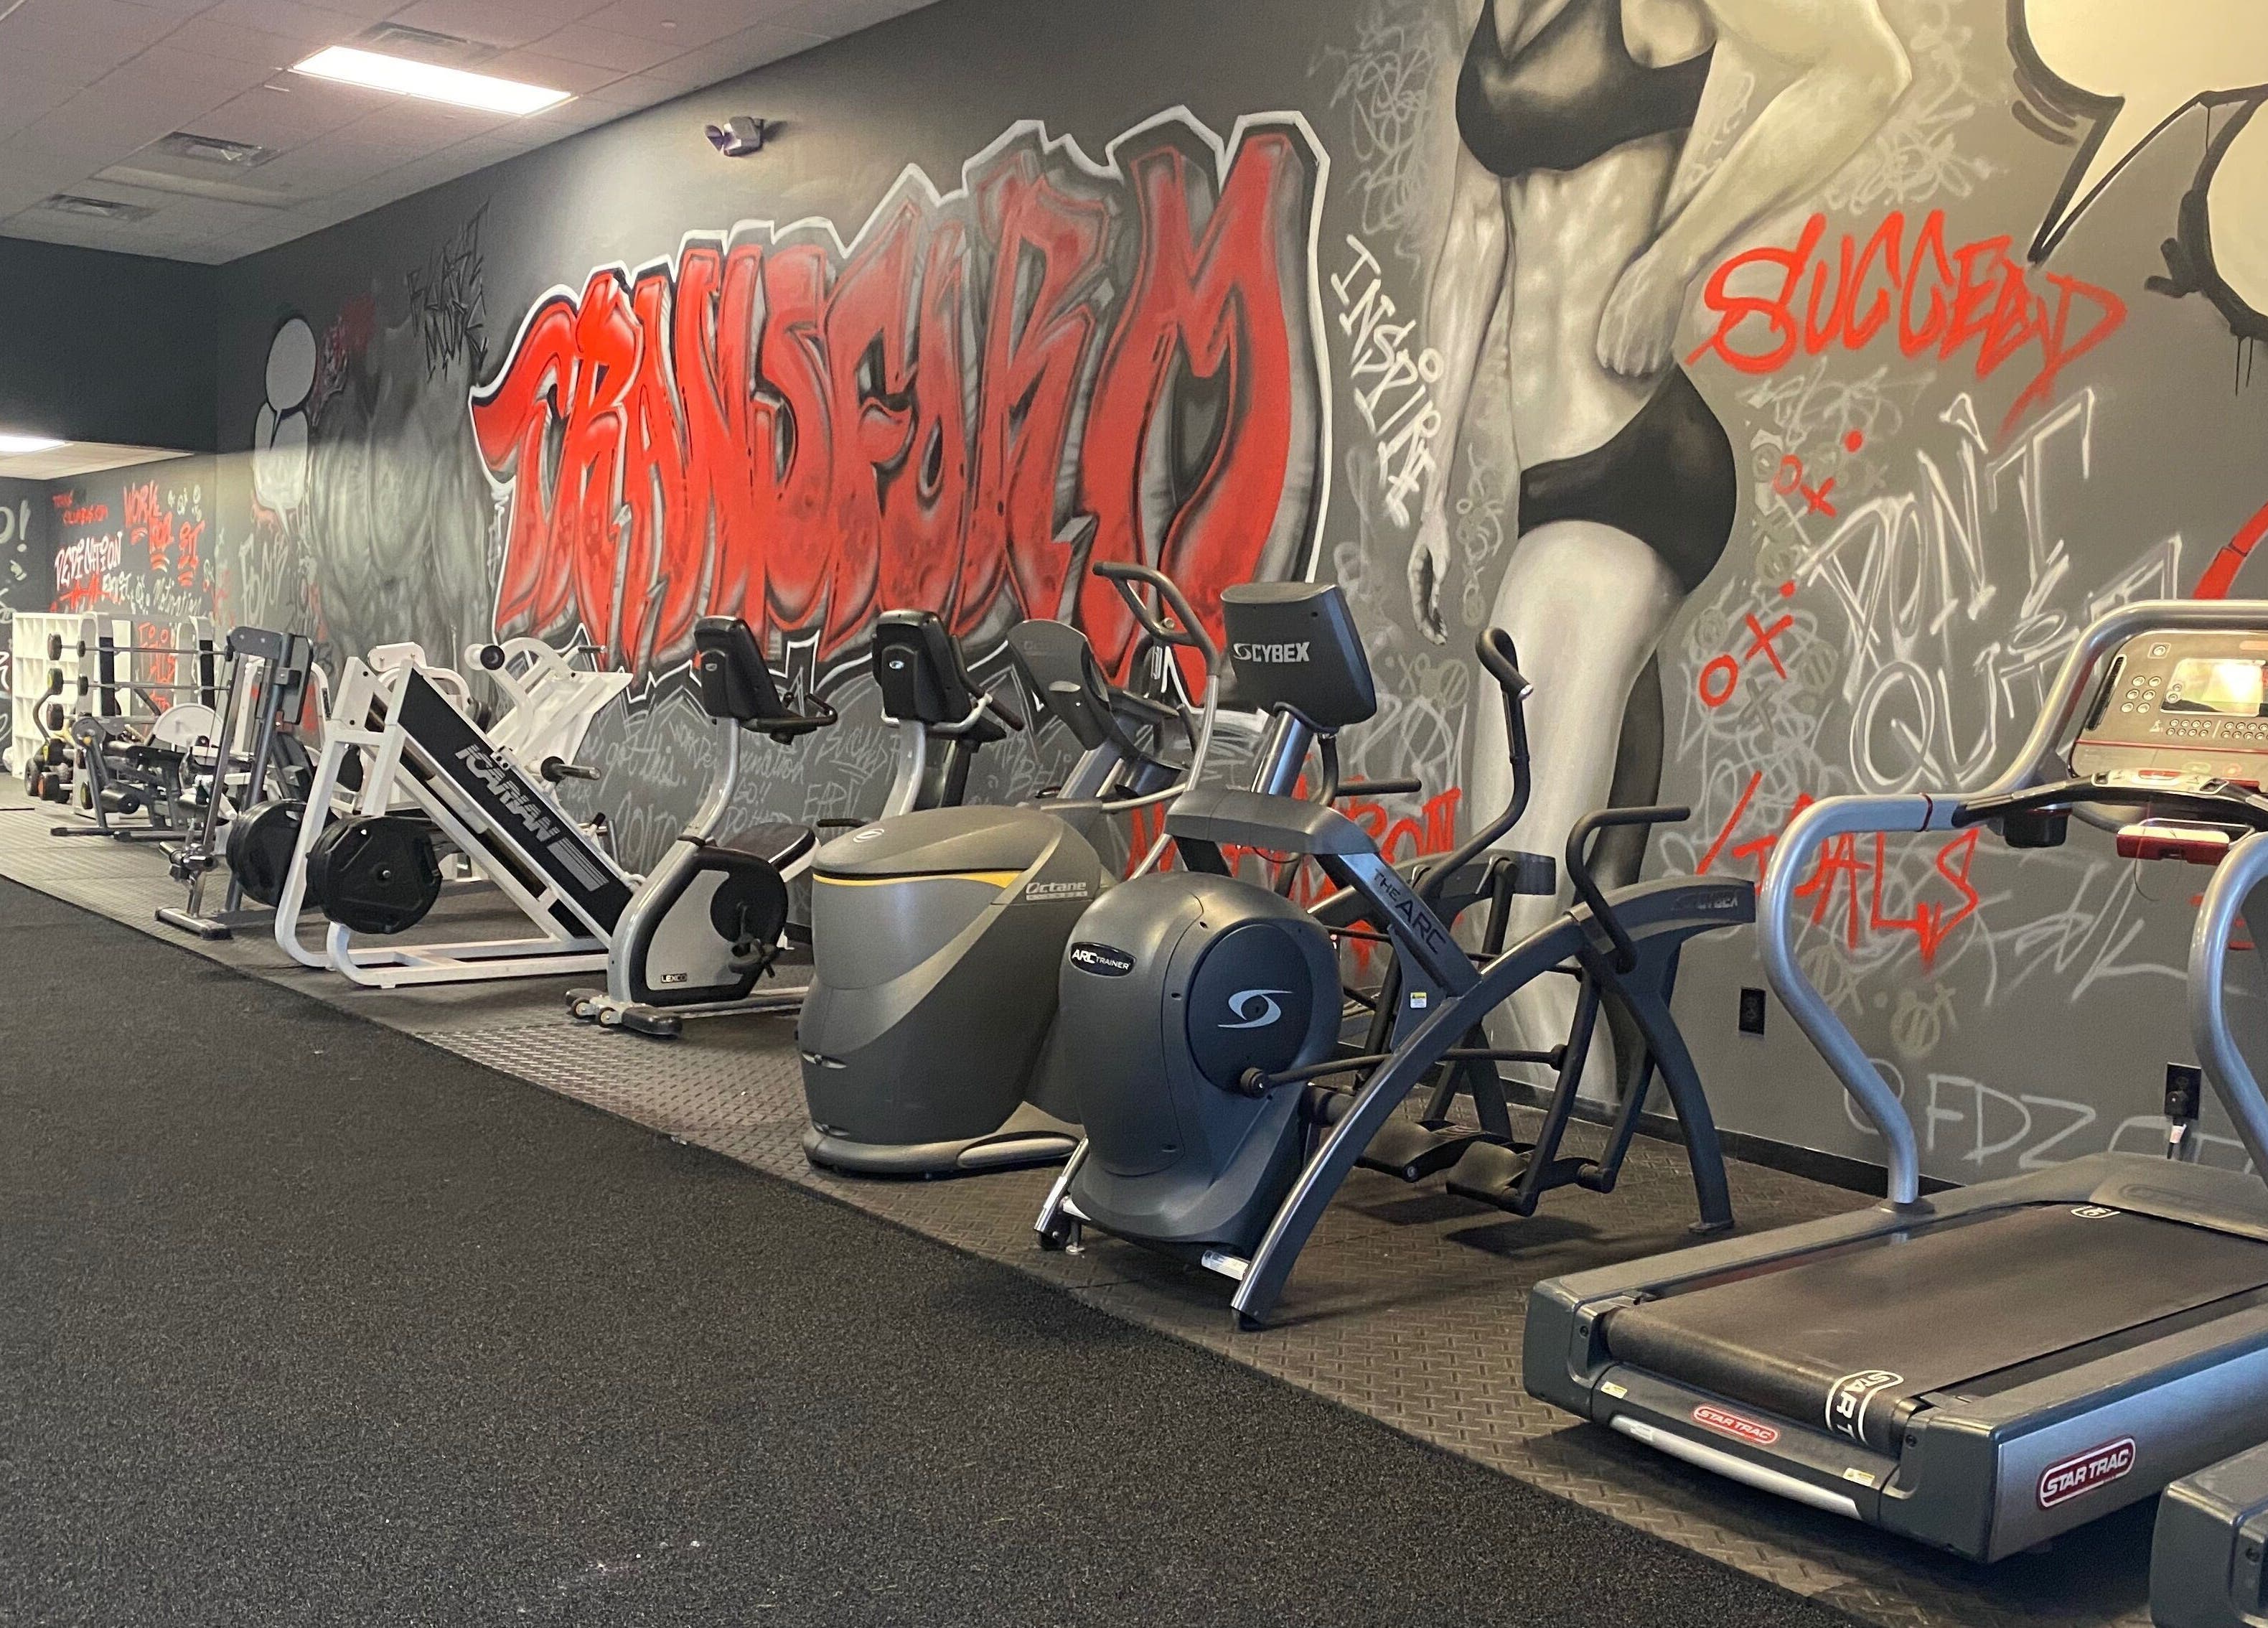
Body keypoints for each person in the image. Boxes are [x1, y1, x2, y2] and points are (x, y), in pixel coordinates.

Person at [1407, 0, 1911, 1087]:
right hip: (1553, 489)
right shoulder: (1478, 16)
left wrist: (1678, 253)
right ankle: (1610, 1162)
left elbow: (1867, 66)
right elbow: (1475, 236)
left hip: (1639, 462)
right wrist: (1434, 481)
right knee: (1582, 887)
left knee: (1512, 907)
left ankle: (1552, 1229)